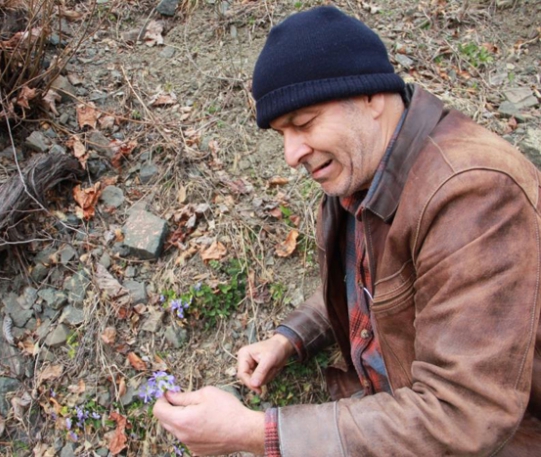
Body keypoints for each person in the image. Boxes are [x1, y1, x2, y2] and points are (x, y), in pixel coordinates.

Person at [153, 5, 541, 456]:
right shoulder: (366, 169)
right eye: (281, 133)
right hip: (394, 413)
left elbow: (461, 413)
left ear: (371, 97)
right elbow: (380, 279)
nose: (291, 154)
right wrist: (291, 337)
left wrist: (258, 433)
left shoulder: (472, 194)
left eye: (304, 123)